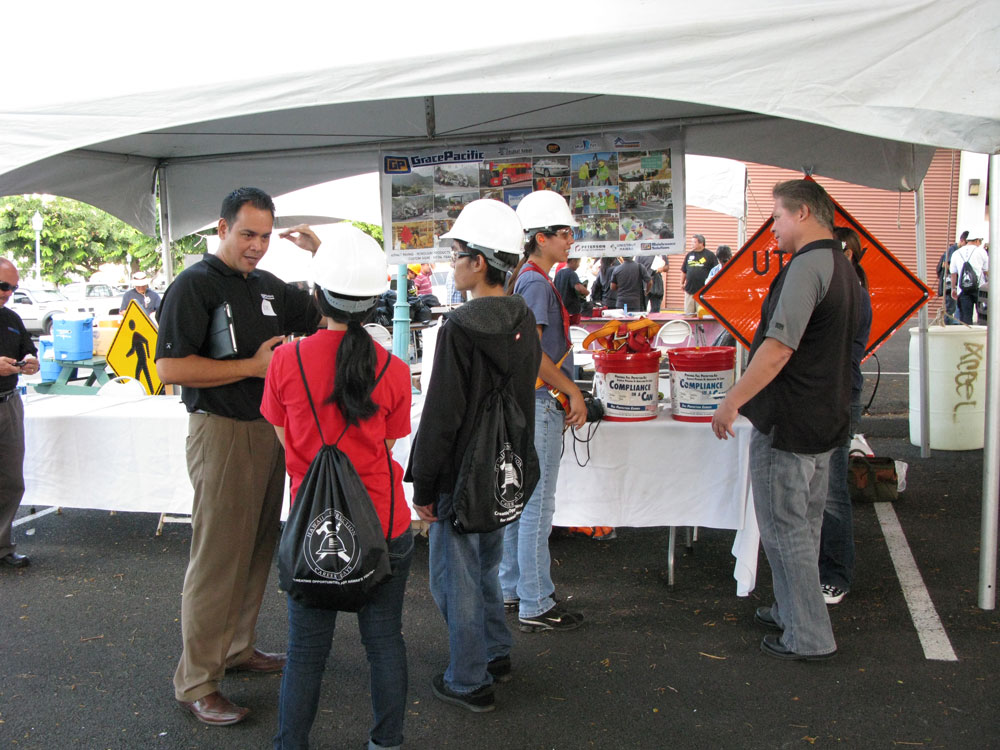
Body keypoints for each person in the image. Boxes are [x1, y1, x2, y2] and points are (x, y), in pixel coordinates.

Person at [155, 187, 322, 726]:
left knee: (256, 548)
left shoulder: (266, 286)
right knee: (218, 558)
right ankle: (197, 681)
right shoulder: (194, 285)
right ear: (221, 228)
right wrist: (250, 369)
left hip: (268, 431)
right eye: (248, 234)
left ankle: (237, 649)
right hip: (222, 432)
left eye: (266, 236)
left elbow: (326, 312)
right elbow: (171, 369)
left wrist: (322, 256)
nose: (257, 246)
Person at [262, 224, 413, 749]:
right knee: (384, 643)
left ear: (316, 295)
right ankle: (386, 743)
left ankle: (290, 744)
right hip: (384, 525)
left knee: (306, 651)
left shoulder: (285, 360)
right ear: (376, 302)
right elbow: (389, 446)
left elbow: (286, 442)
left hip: (313, 525)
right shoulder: (393, 367)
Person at [712, 179, 858, 661]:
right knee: (804, 525)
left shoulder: (808, 266)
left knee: (785, 530)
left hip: (792, 422)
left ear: (802, 213)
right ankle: (790, 610)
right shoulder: (842, 264)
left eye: (776, 216)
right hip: (825, 418)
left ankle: (808, 635)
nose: (772, 227)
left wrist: (733, 398)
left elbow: (777, 349)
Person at [407, 199, 541, 713]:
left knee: (453, 578)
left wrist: (424, 485)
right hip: (503, 468)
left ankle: (468, 677)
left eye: (458, 253)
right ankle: (495, 653)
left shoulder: (460, 326)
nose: (452, 263)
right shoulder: (523, 316)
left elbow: (442, 414)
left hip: (460, 474)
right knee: (486, 565)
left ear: (480, 262)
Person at [500, 190, 586, 633]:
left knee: (523, 500)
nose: (570, 240)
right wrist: (572, 390)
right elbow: (531, 352)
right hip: (540, 402)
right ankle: (535, 599)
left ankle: (514, 588)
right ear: (541, 237)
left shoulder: (529, 278)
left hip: (530, 402)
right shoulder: (535, 281)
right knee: (537, 504)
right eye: (564, 233)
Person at [819, 227, 873, 607]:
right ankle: (823, 570)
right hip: (824, 394)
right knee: (818, 488)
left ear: (848, 254)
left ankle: (835, 574)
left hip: (838, 394)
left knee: (832, 490)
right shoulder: (836, 287)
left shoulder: (851, 293)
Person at [0, 258, 40, 569]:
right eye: (3, 286)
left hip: (9, 401)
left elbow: (30, 350)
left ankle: (2, 546)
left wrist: (30, 361)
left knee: (11, 480)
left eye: (13, 288)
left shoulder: (11, 318)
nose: (8, 293)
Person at [950, 236, 988, 325]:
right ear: (977, 240)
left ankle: (966, 336)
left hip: (963, 289)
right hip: (980, 289)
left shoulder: (956, 253)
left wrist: (953, 289)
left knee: (965, 318)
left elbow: (953, 273)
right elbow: (986, 272)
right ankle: (982, 337)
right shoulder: (981, 252)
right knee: (983, 316)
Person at [680, 234, 718, 314]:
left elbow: (716, 271)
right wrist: (681, 283)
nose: (691, 244)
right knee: (688, 315)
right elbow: (684, 270)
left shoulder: (710, 255)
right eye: (691, 242)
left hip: (702, 292)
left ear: (701, 243)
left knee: (701, 315)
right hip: (689, 290)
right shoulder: (689, 255)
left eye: (694, 242)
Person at [938, 231, 968, 323]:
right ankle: (947, 326)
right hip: (949, 282)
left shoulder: (958, 250)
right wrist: (955, 269)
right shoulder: (953, 249)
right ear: (962, 241)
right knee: (950, 307)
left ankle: (953, 323)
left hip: (955, 282)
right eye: (966, 243)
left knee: (955, 306)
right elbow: (944, 264)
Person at [554, 257, 589, 325]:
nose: (578, 265)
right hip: (571, 311)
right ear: (573, 261)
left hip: (560, 309)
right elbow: (579, 288)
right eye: (578, 263)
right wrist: (587, 292)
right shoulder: (572, 273)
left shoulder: (559, 273)